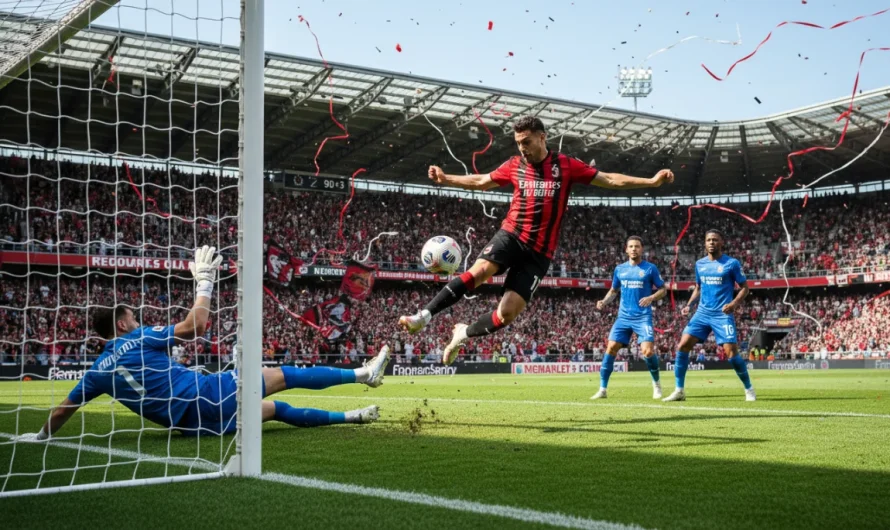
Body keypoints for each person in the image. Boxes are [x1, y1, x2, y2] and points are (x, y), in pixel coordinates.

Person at [15, 246, 391, 442]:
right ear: (122, 322)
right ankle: (363, 374)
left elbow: (64, 410)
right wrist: (205, 282)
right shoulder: (139, 337)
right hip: (205, 394)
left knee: (274, 408)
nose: (137, 320)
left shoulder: (97, 373)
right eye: (133, 316)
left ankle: (353, 416)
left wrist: (40, 436)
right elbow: (196, 325)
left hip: (194, 427)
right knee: (282, 375)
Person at [398, 116, 674, 363]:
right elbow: (482, 181)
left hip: (540, 252)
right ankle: (423, 316)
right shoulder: (514, 165)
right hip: (511, 234)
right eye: (518, 143)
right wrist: (446, 178)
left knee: (506, 314)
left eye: (526, 142)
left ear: (542, 137)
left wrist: (651, 182)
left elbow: (610, 180)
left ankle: (462, 333)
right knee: (479, 272)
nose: (522, 148)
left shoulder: (566, 165)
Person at [662, 230, 755, 402]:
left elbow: (745, 288)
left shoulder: (731, 263)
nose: (711, 242)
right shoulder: (700, 264)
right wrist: (689, 305)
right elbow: (698, 287)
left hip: (722, 314)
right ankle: (679, 390)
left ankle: (749, 389)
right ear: (705, 243)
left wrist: (734, 304)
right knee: (682, 346)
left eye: (715, 240)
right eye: (708, 240)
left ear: (721, 243)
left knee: (731, 352)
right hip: (702, 313)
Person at [591, 236, 667, 400]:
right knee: (611, 348)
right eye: (631, 246)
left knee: (647, 351)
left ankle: (657, 385)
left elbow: (663, 289)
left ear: (642, 249)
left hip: (642, 317)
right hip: (623, 318)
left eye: (637, 246)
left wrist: (652, 297)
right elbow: (613, 291)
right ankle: (602, 389)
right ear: (626, 249)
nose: (634, 249)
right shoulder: (620, 269)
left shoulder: (650, 268)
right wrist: (604, 302)